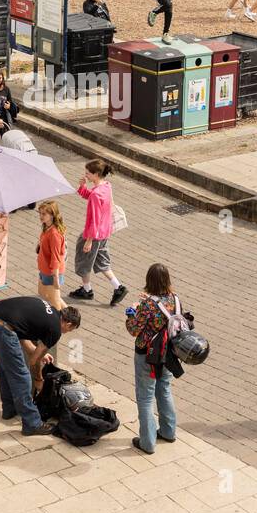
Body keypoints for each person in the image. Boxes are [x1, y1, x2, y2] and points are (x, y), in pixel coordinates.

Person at [0, 296, 81, 435]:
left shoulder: (51, 311)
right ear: (68, 323)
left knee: (5, 369)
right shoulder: (55, 330)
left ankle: (10, 409)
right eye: (69, 330)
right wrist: (38, 380)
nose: (66, 332)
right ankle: (32, 423)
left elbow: (21, 332)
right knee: (22, 376)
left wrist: (38, 352)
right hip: (4, 329)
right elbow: (33, 362)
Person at [125, 263, 183, 454]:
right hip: (167, 354)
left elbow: (134, 329)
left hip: (146, 355)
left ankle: (147, 442)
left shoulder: (147, 304)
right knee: (164, 389)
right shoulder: (175, 299)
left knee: (145, 397)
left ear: (149, 280)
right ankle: (168, 431)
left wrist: (131, 311)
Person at [69, 158, 127, 305]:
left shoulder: (96, 194)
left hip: (93, 234)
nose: (86, 175)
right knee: (101, 261)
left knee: (83, 262)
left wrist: (88, 240)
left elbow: (95, 218)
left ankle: (87, 290)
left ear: (96, 174)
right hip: (104, 232)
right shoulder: (106, 187)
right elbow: (92, 197)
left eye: (88, 173)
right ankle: (118, 287)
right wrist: (82, 187)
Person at [36, 200, 67, 309]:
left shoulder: (54, 234)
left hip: (51, 272)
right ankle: (69, 313)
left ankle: (61, 321)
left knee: (55, 303)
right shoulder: (46, 227)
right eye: (40, 213)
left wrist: (55, 278)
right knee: (43, 293)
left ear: (52, 214)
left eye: (44, 214)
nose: (41, 216)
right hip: (44, 269)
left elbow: (55, 257)